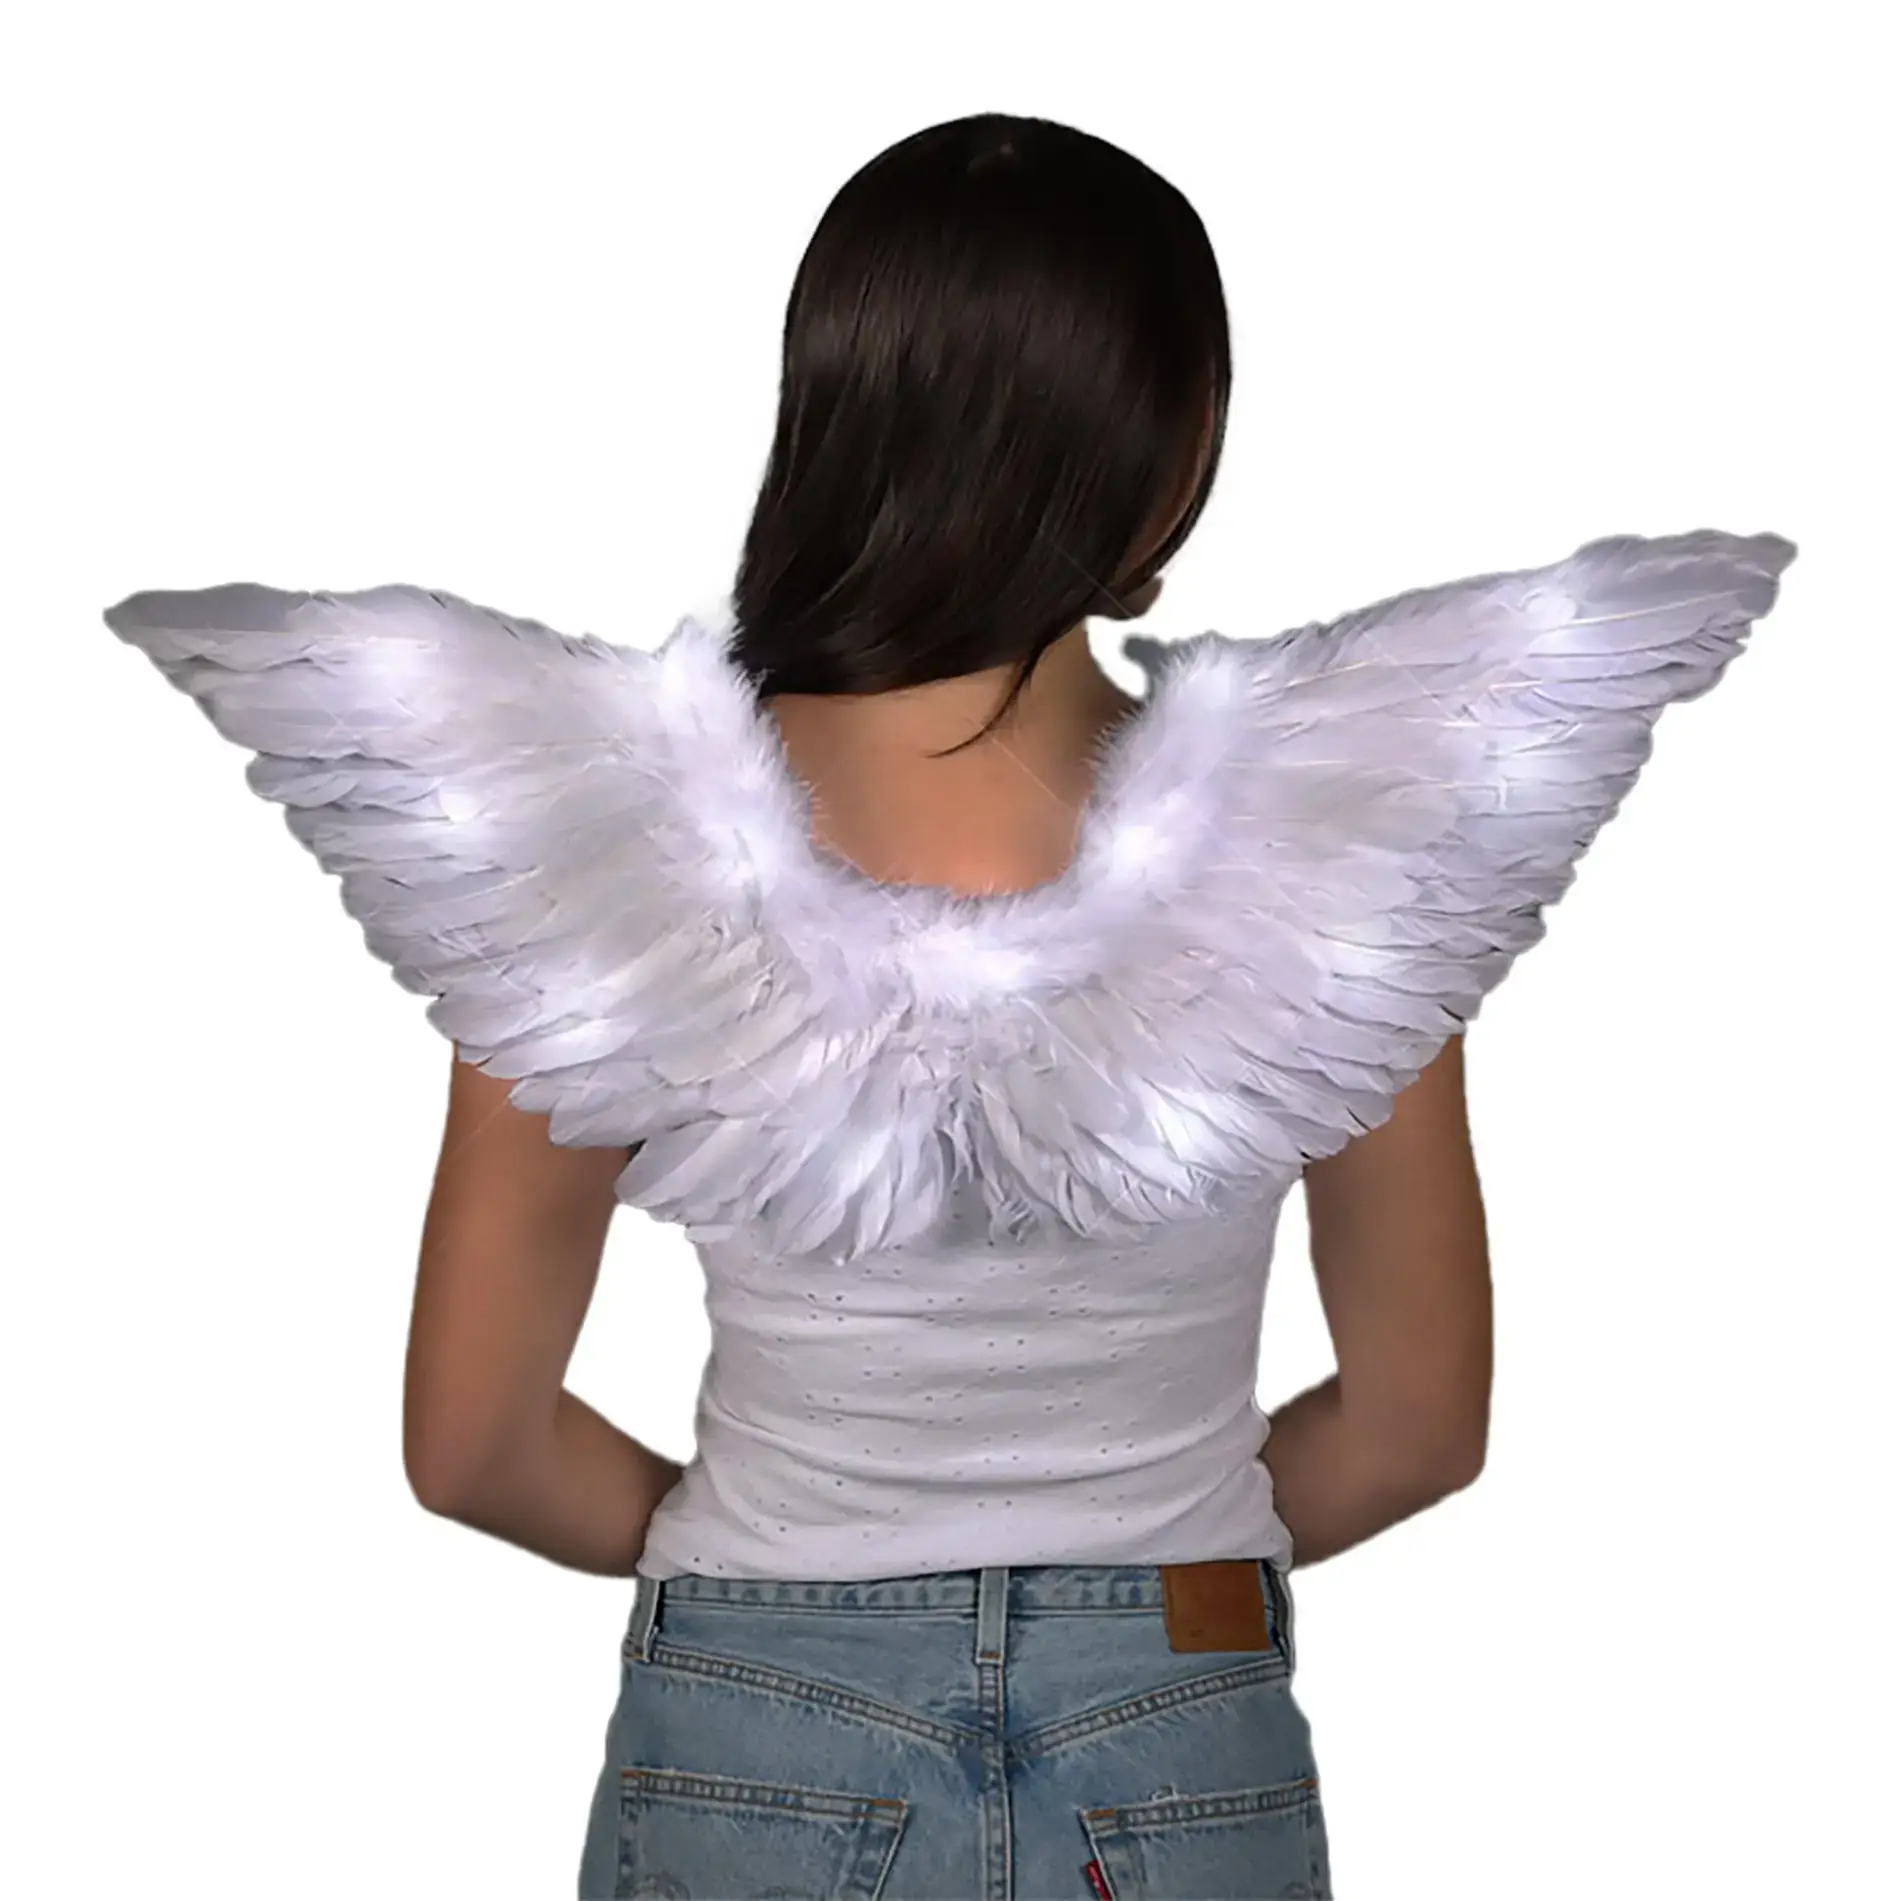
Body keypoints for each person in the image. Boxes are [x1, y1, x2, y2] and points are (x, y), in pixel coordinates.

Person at [103, 112, 1794, 1901]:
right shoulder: (1341, 847)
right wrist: (1134, 1586)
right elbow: (1419, 1424)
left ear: (831, 413)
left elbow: (471, 1446)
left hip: (756, 1707)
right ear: (1173, 438)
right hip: (1180, 1707)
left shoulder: (594, 850)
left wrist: (776, 1570)